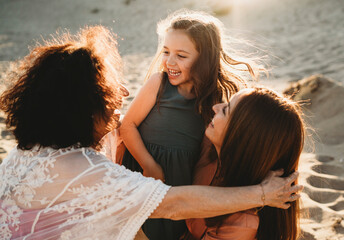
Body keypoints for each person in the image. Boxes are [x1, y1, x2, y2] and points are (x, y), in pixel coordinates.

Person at [0, 26, 302, 240]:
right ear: (84, 109)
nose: (126, 91)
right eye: (109, 91)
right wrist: (263, 193)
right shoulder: (85, 171)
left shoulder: (34, 147)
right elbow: (173, 205)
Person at [120, 10, 259, 239]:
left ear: (204, 58)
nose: (169, 62)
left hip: (182, 186)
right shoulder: (159, 84)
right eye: (166, 52)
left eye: (181, 56)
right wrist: (149, 165)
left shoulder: (214, 101)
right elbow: (128, 125)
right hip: (144, 175)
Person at [185, 88, 305, 240]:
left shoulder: (242, 222)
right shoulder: (210, 148)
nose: (216, 107)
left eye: (226, 110)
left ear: (240, 137)